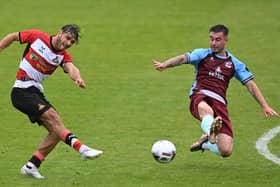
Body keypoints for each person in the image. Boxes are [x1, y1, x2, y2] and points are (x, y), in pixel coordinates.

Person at [153, 24, 279, 158]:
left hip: (220, 102)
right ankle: (210, 132)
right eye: (211, 39)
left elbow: (250, 84)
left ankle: (205, 142)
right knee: (205, 109)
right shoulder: (202, 54)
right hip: (200, 94)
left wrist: (264, 105)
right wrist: (165, 64)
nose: (213, 43)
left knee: (225, 151)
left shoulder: (234, 63)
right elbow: (183, 58)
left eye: (217, 39)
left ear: (226, 40)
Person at [0, 24, 103, 179]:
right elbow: (13, 36)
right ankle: (82, 148)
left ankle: (32, 165)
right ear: (60, 33)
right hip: (21, 90)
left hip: (35, 92)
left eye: (72, 42)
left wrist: (78, 78)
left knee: (57, 132)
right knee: (54, 119)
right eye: (68, 38)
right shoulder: (36, 36)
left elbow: (71, 68)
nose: (68, 43)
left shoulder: (63, 56)